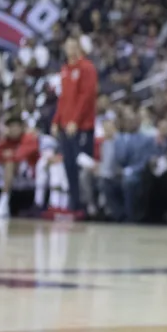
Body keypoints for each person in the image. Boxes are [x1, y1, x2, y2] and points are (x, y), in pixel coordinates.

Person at [51, 37, 97, 217]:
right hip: (65, 126)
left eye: (73, 45)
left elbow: (87, 97)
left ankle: (86, 204)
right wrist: (56, 120)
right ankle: (74, 202)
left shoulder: (87, 68)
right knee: (68, 164)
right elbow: (62, 99)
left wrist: (75, 121)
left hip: (82, 126)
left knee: (82, 166)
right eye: (67, 45)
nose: (70, 49)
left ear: (79, 48)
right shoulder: (64, 70)